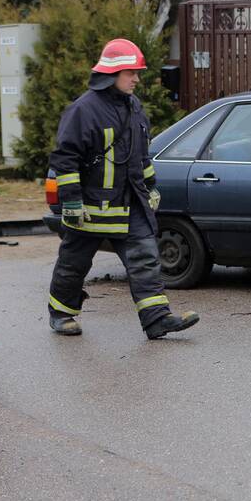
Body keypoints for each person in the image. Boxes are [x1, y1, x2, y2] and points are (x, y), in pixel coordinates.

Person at [46, 38, 199, 339]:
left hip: (130, 204)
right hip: (90, 208)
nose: (137, 79)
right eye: (132, 73)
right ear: (112, 74)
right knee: (74, 263)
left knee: (146, 259)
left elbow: (141, 155)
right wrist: (72, 201)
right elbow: (65, 158)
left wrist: (151, 185)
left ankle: (157, 319)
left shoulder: (134, 107)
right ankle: (61, 313)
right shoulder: (83, 110)